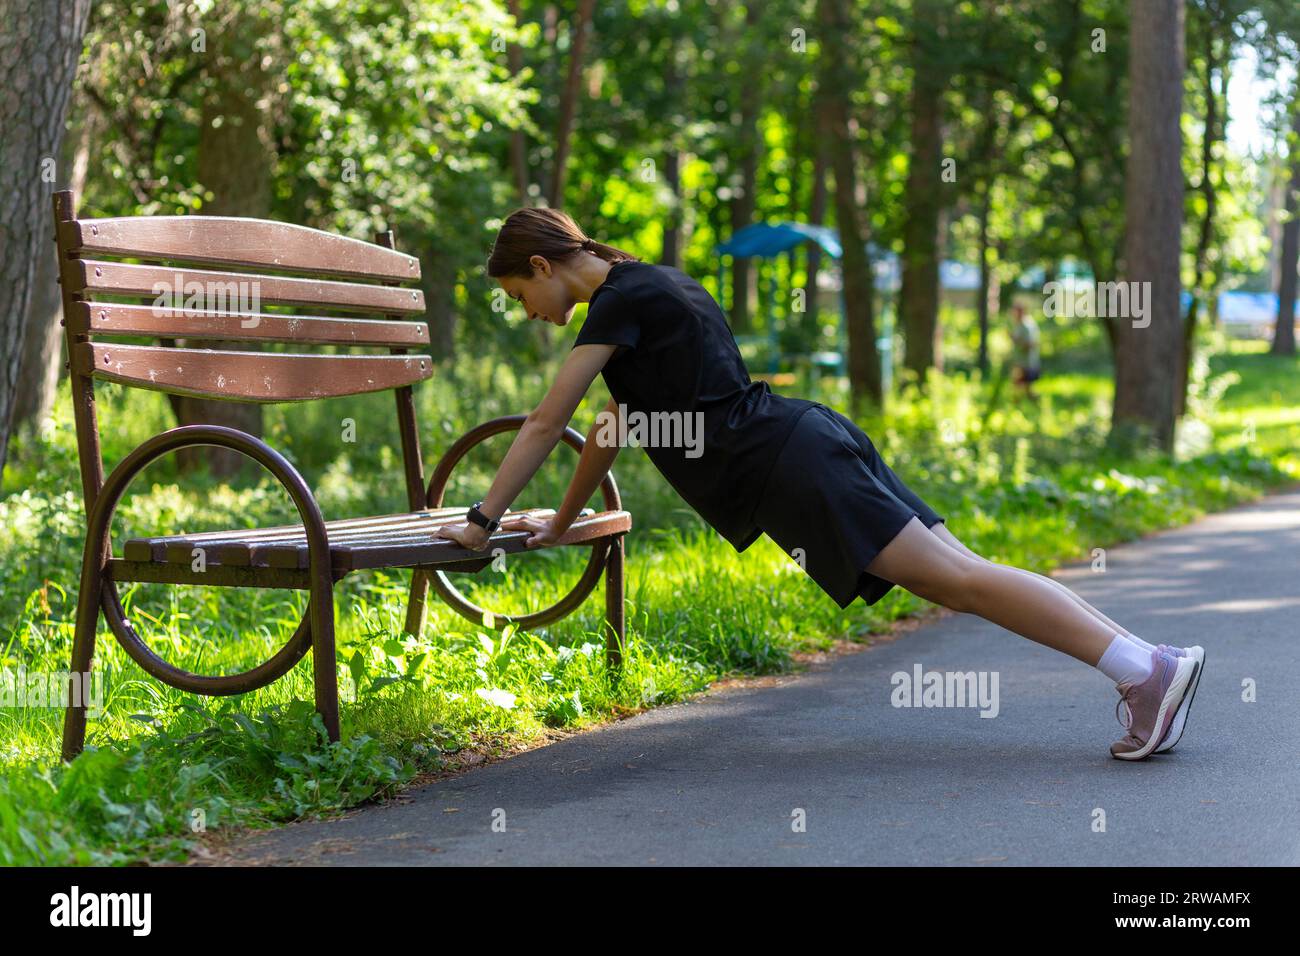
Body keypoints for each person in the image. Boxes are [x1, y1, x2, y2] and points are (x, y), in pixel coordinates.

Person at [436, 207, 1203, 761]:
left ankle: (1142, 672)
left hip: (790, 463)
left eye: (516, 296)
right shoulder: (648, 289)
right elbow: (612, 424)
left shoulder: (619, 301)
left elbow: (545, 422)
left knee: (964, 583)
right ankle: (1147, 661)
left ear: (541, 266)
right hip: (806, 439)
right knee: (968, 574)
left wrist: (479, 519)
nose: (529, 314)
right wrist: (565, 519)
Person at [1009, 304, 1042, 399]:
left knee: (1021, 384)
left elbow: (1031, 344)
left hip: (1025, 361)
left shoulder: (1026, 325)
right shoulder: (1022, 324)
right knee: (1022, 385)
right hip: (1022, 360)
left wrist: (1015, 340)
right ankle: (1025, 401)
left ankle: (1021, 401)